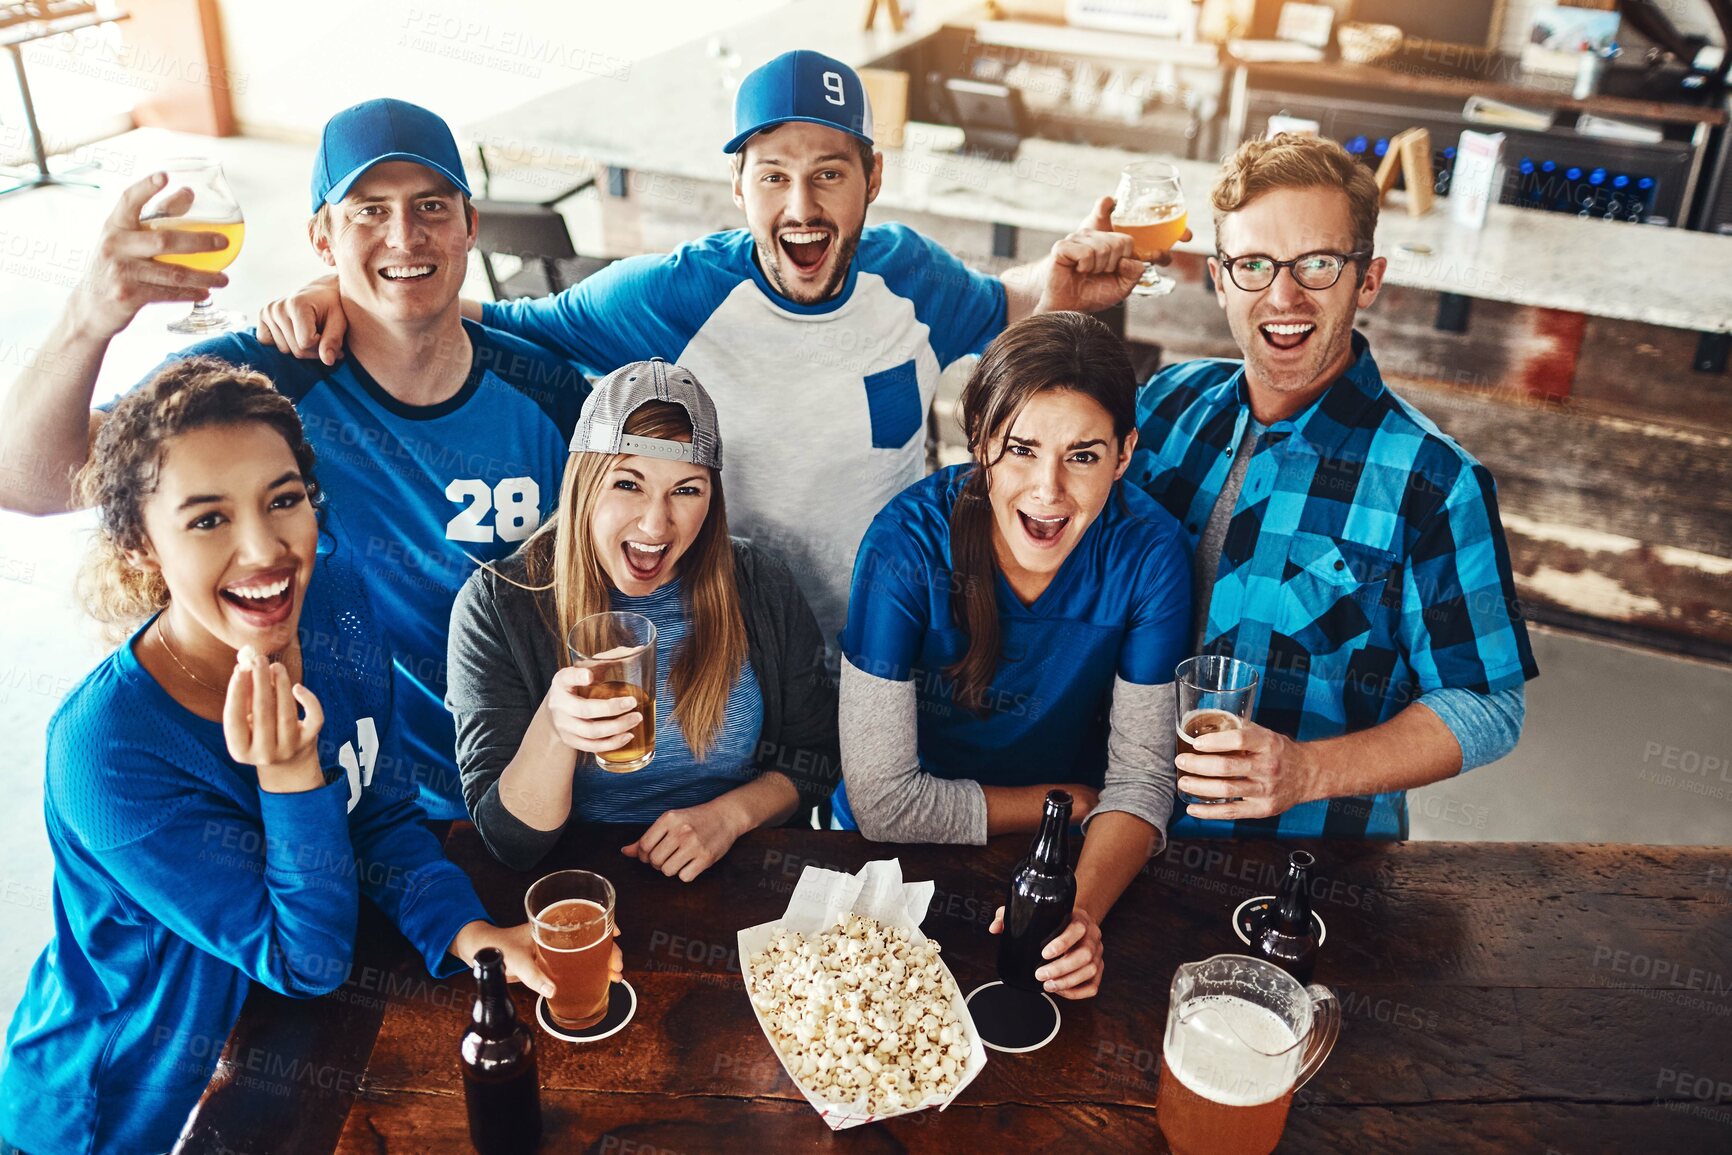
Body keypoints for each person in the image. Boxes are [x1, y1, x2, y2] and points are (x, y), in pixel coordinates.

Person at [253, 51, 1180, 638]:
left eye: (829, 174)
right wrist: (345, 282)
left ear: (872, 180)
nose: (803, 206)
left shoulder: (915, 277)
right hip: (732, 642)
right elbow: (494, 320)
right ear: (738, 187)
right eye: (773, 176)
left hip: (892, 633)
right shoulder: (675, 291)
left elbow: (1005, 302)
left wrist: (1058, 290)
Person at [0, 358, 593, 1155]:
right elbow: (303, 957)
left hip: (291, 1050)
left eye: (284, 500)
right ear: (143, 546)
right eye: (208, 519)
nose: (263, 550)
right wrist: (287, 775)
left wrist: (468, 930)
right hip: (130, 1111)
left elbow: (379, 812)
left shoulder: (334, 595)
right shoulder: (105, 750)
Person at [0, 99, 589, 822]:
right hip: (346, 806)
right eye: (368, 211)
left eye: (431, 205)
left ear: (470, 226)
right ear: (321, 237)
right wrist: (88, 317)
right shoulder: (255, 383)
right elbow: (25, 480)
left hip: (528, 793)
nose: (405, 235)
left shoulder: (546, 391)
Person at [1128, 133, 1539, 839]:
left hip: (1314, 867)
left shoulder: (1435, 481)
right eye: (1253, 264)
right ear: (1220, 278)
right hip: (1125, 830)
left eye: (1317, 263)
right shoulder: (1163, 407)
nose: (1282, 295)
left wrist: (1307, 771)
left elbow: (1486, 704)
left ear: (1367, 279)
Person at [837, 312, 1191, 1000]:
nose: (1048, 490)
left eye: (1083, 455)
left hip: (1069, 857)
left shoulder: (1151, 554)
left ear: (1124, 454)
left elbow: (1144, 779)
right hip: (901, 860)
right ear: (978, 441)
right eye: (1020, 448)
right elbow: (880, 801)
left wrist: (1079, 913)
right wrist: (1066, 801)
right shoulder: (902, 546)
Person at [447, 358, 839, 878]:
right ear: (585, 485)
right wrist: (555, 728)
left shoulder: (759, 583)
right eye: (628, 484)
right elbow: (508, 841)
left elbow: (816, 757)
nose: (656, 523)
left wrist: (729, 817)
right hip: (576, 887)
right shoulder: (497, 604)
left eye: (686, 490)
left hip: (734, 871)